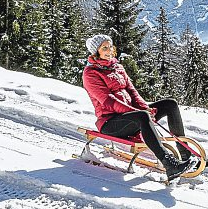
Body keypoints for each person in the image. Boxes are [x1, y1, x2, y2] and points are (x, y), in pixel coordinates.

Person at [81, 33, 193, 181]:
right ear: (96, 52)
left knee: (170, 104)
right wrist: (138, 112)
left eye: (110, 47)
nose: (109, 51)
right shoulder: (90, 74)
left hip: (131, 115)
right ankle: (170, 165)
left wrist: (145, 107)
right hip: (111, 122)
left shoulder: (117, 67)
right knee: (142, 116)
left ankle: (184, 155)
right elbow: (108, 101)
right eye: (104, 48)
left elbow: (132, 92)